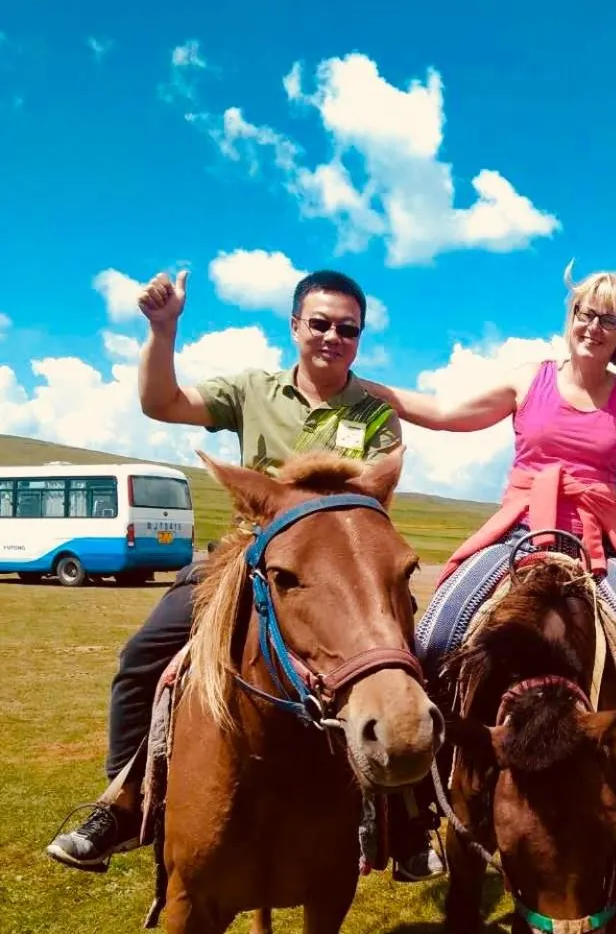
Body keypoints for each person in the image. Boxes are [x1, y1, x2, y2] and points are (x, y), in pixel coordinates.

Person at [363, 269, 616, 870]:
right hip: (517, 528)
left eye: (608, 318)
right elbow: (446, 412)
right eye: (585, 312)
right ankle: (425, 797)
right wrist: (364, 386)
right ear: (571, 317)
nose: (593, 325)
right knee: (435, 637)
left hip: (593, 542)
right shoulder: (527, 379)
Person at [44, 267, 441, 877]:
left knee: (403, 663)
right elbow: (161, 402)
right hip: (246, 552)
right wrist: (162, 329)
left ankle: (412, 822)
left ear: (360, 336)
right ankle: (124, 806)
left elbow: (373, 496)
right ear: (295, 327)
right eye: (320, 324)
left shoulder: (375, 411)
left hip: (336, 566)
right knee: (143, 660)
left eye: (347, 328)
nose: (332, 337)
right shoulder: (253, 390)